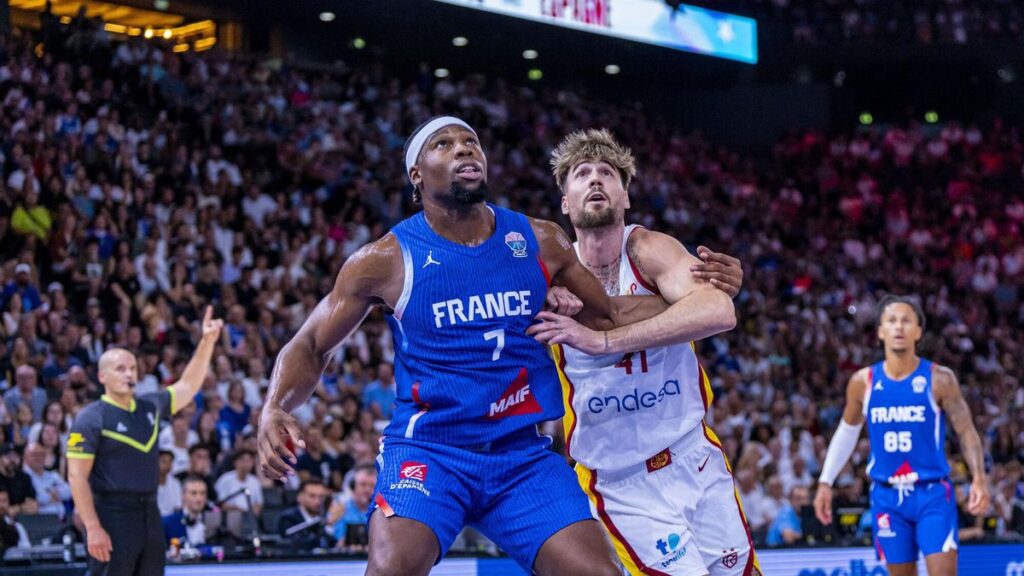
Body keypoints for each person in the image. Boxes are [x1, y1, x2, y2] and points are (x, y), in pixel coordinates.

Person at [259, 115, 681, 576]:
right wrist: (276, 405)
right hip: (432, 451)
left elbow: (611, 316)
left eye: (471, 142)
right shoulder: (384, 259)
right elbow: (311, 345)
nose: (464, 149)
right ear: (416, 176)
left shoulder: (538, 239)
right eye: (443, 144)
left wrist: (698, 292)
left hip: (520, 455)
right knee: (389, 569)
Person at [527, 128, 758, 575]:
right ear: (564, 201)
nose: (595, 180)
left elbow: (718, 309)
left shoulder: (649, 248)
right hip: (620, 482)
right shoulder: (548, 274)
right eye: (581, 174)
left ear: (626, 195)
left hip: (694, 454)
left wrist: (604, 339)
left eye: (607, 173)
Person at [813, 296, 990, 576]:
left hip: (931, 493)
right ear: (880, 331)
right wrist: (825, 482)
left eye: (906, 321)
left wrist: (979, 477)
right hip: (887, 496)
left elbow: (966, 432)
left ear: (918, 332)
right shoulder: (863, 382)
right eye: (891, 321)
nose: (899, 327)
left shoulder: (939, 378)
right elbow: (847, 433)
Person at [66, 307, 223, 576]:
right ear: (102, 377)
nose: (129, 374)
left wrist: (207, 342)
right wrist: (92, 527)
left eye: (133, 369)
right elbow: (76, 477)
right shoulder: (90, 418)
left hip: (150, 511)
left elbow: (187, 386)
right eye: (120, 369)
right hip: (112, 512)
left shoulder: (149, 405)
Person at [162, 474, 222, 549]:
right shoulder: (168, 523)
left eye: (202, 493)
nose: (199, 498)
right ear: (183, 495)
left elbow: (220, 551)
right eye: (194, 493)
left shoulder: (214, 523)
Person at [328, 463, 377, 550]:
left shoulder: (383, 511)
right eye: (363, 485)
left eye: (372, 486)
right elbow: (334, 540)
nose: (367, 490)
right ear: (352, 486)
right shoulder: (340, 508)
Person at [276, 479, 331, 551]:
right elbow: (297, 545)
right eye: (312, 496)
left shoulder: (324, 516)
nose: (318, 501)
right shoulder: (288, 518)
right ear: (300, 497)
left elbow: (329, 542)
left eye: (321, 497)